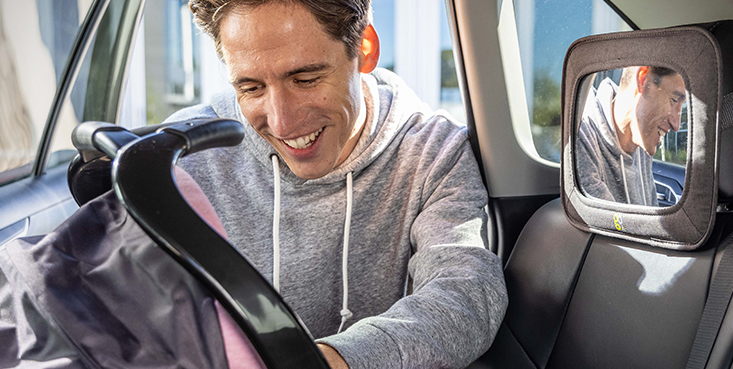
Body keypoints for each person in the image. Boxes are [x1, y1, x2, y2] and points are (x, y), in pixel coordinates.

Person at [164, 0, 507, 368]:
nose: (281, 122)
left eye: (306, 79)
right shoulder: (181, 155)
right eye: (251, 88)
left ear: (365, 49)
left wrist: (324, 362)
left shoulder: (433, 152)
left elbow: (467, 293)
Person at [575, 66, 686, 206]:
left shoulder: (642, 139)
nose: (676, 125)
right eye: (674, 100)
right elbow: (609, 226)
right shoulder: (583, 138)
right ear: (643, 79)